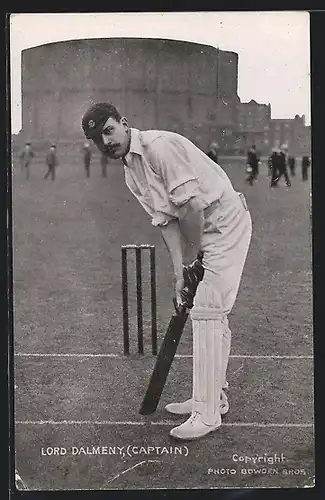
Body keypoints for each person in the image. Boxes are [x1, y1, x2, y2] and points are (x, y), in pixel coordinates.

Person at [81, 102, 252, 441]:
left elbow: (191, 209)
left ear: (124, 123)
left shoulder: (159, 148)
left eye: (108, 131)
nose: (106, 142)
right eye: (98, 140)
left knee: (206, 309)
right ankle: (213, 397)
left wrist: (193, 262)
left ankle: (206, 415)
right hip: (202, 226)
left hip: (223, 221)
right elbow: (167, 221)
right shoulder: (131, 171)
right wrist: (179, 275)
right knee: (209, 310)